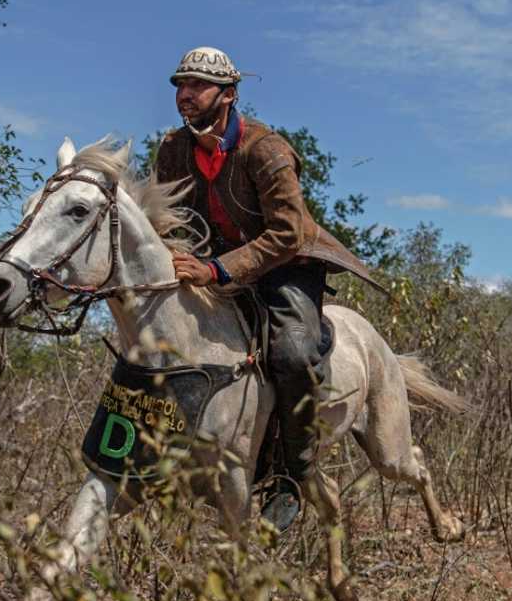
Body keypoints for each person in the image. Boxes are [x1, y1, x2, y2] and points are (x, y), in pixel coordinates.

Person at [154, 46, 382, 529]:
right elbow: (167, 219)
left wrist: (216, 270)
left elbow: (287, 233)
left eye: (197, 86)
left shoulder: (267, 148)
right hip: (213, 264)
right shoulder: (173, 149)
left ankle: (292, 478)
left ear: (229, 94)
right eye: (180, 85)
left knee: (295, 353)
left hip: (285, 264)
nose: (185, 95)